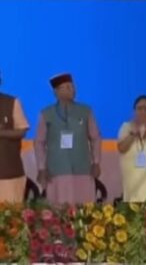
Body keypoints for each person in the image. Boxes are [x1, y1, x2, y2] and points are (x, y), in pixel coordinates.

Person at [35, 73, 101, 204]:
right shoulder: (46, 113)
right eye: (67, 87)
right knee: (59, 208)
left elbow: (95, 138)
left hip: (82, 169)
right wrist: (42, 168)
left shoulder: (85, 111)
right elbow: (39, 142)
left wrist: (96, 163)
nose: (72, 90)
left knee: (84, 208)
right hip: (56, 170)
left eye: (72, 86)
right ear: (56, 92)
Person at [0, 75, 29, 203]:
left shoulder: (12, 102)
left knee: (11, 213)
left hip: (9, 171)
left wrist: (2, 133)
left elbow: (22, 131)